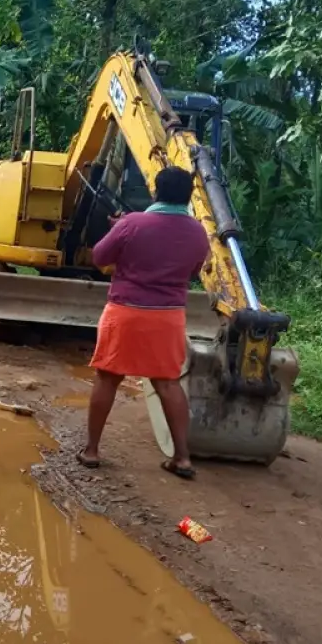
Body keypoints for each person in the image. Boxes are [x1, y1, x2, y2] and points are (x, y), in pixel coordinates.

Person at [78, 165, 211, 478]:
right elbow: (193, 271)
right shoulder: (198, 232)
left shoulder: (133, 223)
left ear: (156, 191)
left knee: (108, 377)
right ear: (189, 195)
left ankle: (92, 450)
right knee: (167, 383)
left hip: (126, 312)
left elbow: (99, 257)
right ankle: (182, 457)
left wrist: (118, 229)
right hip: (168, 317)